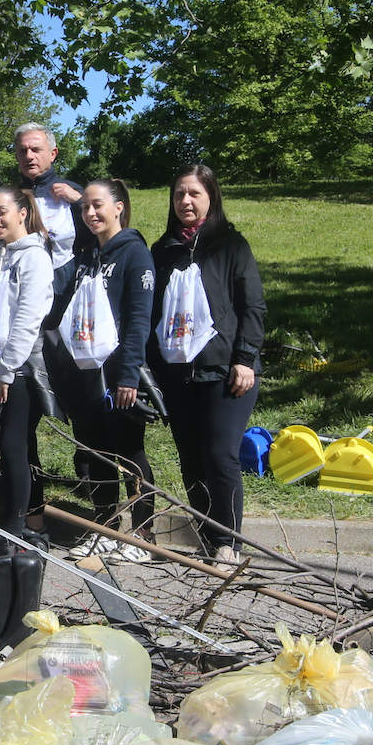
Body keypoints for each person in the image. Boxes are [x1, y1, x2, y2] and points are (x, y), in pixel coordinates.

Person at [147, 163, 267, 565]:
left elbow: (252, 306)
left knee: (220, 455)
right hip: (178, 373)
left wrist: (245, 359)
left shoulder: (231, 246)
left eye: (194, 193)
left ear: (211, 197)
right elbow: (151, 316)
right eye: (179, 193)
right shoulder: (162, 250)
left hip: (225, 372)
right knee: (191, 458)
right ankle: (207, 536)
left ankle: (228, 542)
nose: (185, 201)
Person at [49, 179, 157, 563]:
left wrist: (128, 375)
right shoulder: (89, 256)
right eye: (85, 208)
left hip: (118, 374)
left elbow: (138, 320)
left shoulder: (135, 254)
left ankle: (144, 534)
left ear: (119, 208)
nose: (90, 213)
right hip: (86, 373)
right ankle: (105, 529)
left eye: (97, 206)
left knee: (130, 452)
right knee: (96, 451)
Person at [0, 187, 56, 549]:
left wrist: (6, 371)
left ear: (23, 213)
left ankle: (15, 531)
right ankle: (22, 526)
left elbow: (27, 320)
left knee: (13, 448)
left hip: (19, 370)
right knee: (14, 450)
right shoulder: (5, 256)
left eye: (2, 212)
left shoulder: (33, 257)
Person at [13, 122, 84, 269]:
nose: (29, 156)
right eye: (23, 151)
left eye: (36, 149)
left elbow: (103, 235)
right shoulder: (9, 198)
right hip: (19, 285)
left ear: (53, 154)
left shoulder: (74, 193)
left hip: (65, 286)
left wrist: (80, 202)